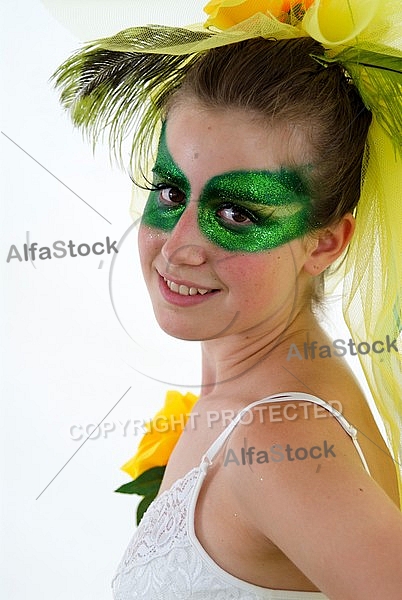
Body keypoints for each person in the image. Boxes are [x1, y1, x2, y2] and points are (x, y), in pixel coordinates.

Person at [53, 1, 402, 597]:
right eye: (169, 190)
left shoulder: (277, 441)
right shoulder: (254, 403)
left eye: (236, 212)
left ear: (323, 244)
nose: (179, 246)